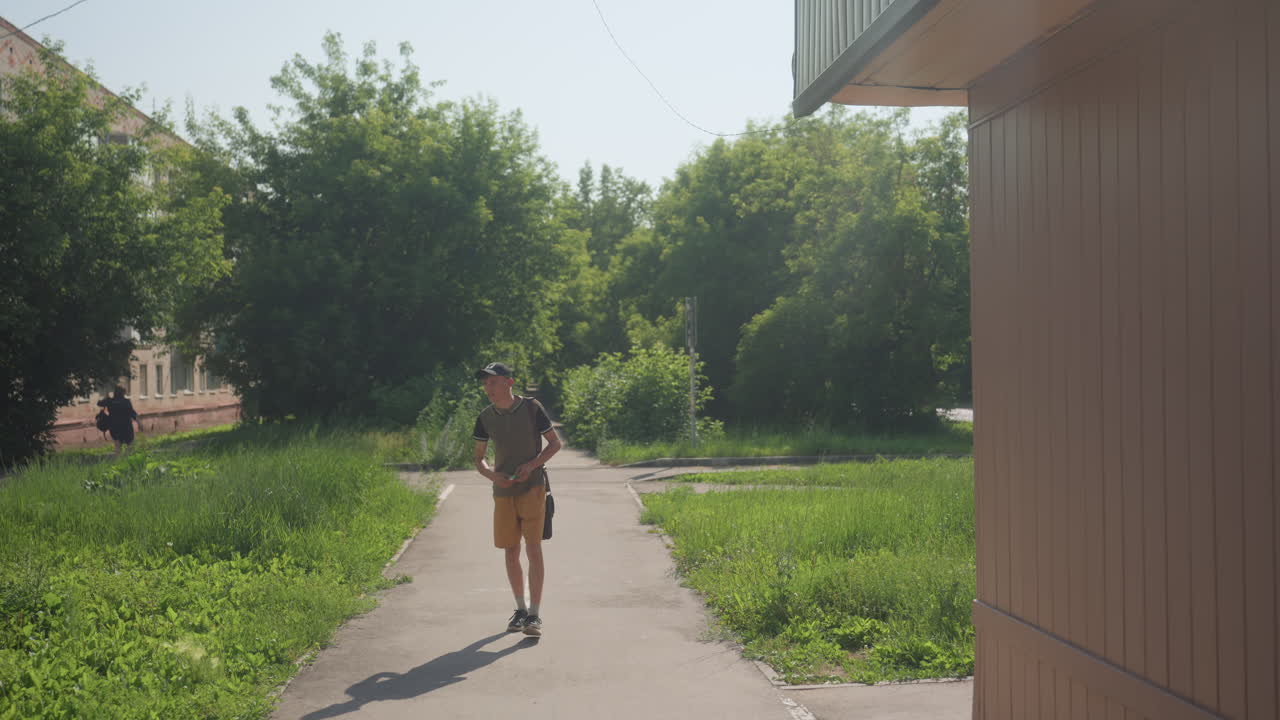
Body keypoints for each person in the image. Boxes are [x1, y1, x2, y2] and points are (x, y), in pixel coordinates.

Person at [472, 362, 561, 637]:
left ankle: (534, 615)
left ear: (509, 382)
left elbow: (555, 444)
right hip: (503, 492)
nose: (489, 388)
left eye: (494, 382)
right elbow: (479, 458)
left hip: (533, 488)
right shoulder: (485, 417)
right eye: (486, 384)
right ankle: (520, 610)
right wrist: (491, 475)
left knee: (533, 549)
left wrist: (532, 465)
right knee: (511, 551)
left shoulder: (532, 408)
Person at [97, 386, 142, 456]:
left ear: (114, 393)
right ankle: (126, 460)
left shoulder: (110, 401)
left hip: (114, 428)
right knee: (130, 446)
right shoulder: (126, 402)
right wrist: (139, 423)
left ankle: (118, 462)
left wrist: (106, 398)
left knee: (118, 448)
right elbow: (132, 413)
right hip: (126, 428)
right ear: (123, 393)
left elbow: (99, 403)